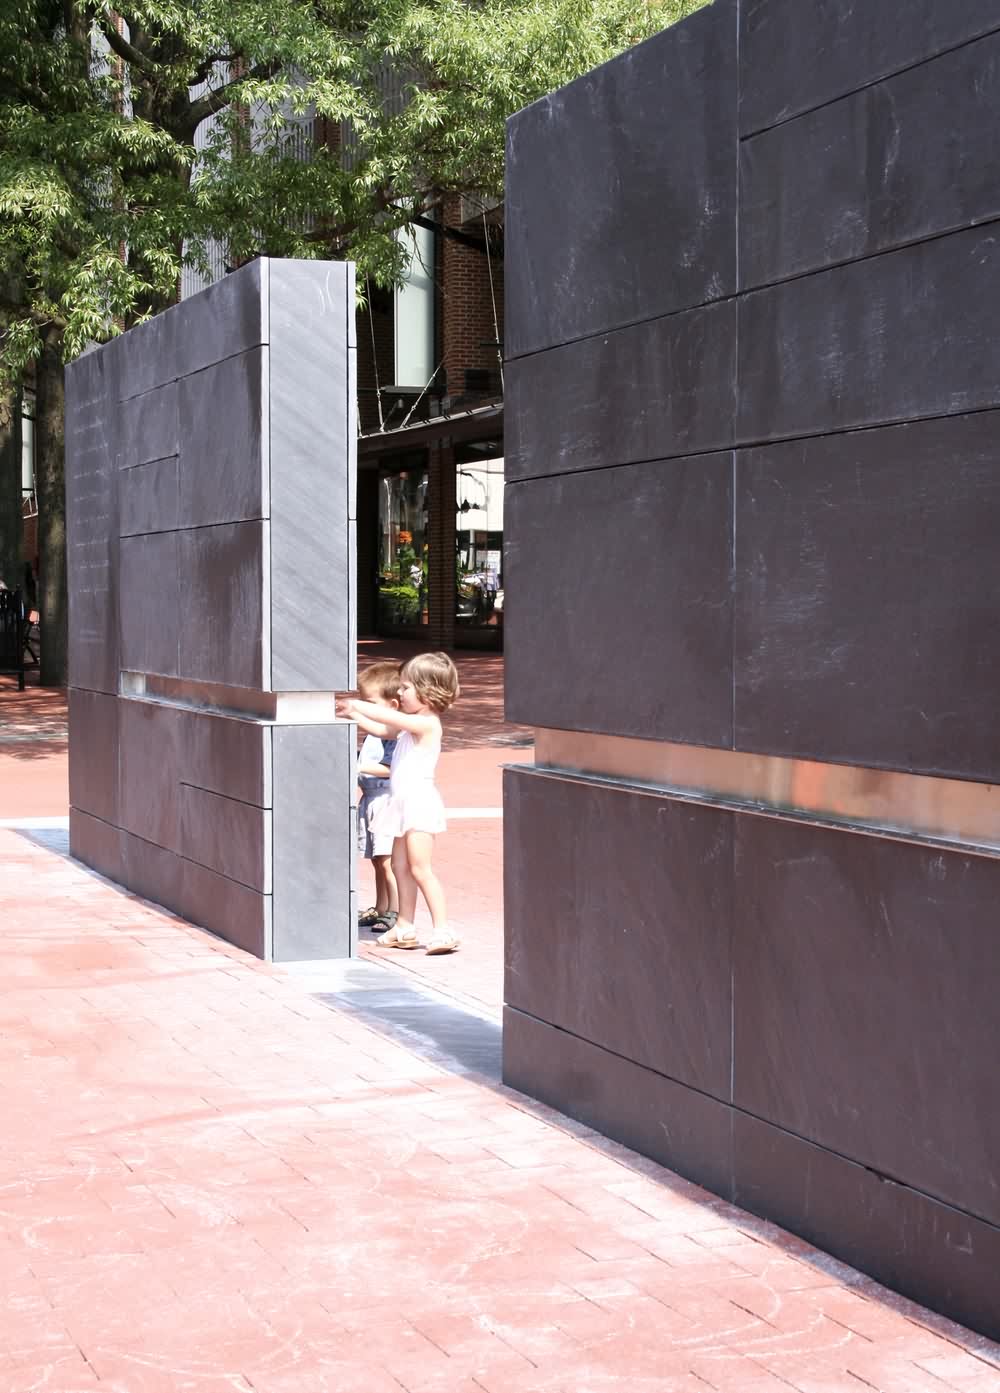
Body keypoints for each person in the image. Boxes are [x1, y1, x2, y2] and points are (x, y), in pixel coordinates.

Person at [342, 652, 460, 955]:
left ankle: (443, 929)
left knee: (421, 869)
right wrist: (353, 714)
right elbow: (385, 729)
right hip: (402, 803)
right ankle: (405, 925)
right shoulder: (411, 725)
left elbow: (391, 718)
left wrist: (358, 704)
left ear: (428, 691)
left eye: (406, 688)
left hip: (419, 803)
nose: (400, 692)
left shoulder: (428, 724)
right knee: (399, 865)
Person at [354, 661, 402, 934]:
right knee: (376, 858)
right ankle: (381, 906)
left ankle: (395, 909)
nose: (365, 707)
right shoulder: (376, 731)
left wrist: (358, 767)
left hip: (385, 799)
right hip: (370, 798)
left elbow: (390, 768)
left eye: (370, 702)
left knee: (387, 859)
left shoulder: (393, 734)